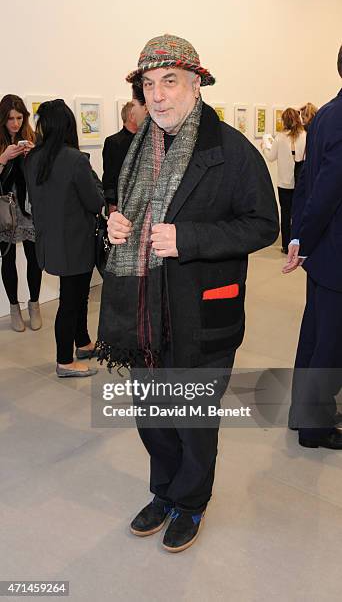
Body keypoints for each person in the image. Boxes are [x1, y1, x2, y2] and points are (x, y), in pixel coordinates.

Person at [97, 34, 279, 552]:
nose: (157, 96)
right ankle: (165, 491)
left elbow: (263, 224)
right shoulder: (134, 151)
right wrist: (113, 225)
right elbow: (125, 211)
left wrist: (190, 239)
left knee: (193, 419)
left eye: (169, 82)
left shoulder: (231, 151)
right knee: (152, 414)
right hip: (143, 313)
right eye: (149, 85)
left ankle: (192, 502)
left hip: (202, 313)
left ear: (196, 84)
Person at [283, 45, 342, 449]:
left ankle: (302, 412)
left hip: (323, 250)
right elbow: (326, 188)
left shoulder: (326, 114)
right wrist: (305, 237)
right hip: (336, 250)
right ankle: (315, 427)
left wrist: (300, 238)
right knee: (330, 343)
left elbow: (308, 183)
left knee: (315, 335)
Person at [25, 100, 103, 378]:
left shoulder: (32, 158)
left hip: (49, 242)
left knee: (77, 296)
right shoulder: (75, 160)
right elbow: (95, 202)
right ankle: (64, 361)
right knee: (71, 302)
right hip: (76, 243)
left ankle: (82, 343)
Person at [0, 94, 42, 332]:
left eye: (19, 117)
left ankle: (34, 305)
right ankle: (14, 309)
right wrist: (4, 158)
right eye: (10, 119)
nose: (15, 123)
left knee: (33, 256)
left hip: (28, 207)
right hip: (5, 208)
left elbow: (42, 177)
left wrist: (34, 156)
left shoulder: (32, 137)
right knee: (8, 258)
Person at [262, 108, 306, 254]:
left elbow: (270, 157)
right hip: (300, 183)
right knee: (298, 213)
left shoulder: (280, 138)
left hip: (284, 183)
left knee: (285, 214)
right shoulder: (304, 136)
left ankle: (286, 245)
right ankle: (298, 242)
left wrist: (264, 146)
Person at [102, 88, 148, 212]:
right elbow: (109, 177)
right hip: (121, 204)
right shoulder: (113, 142)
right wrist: (112, 204)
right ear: (132, 116)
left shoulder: (146, 140)